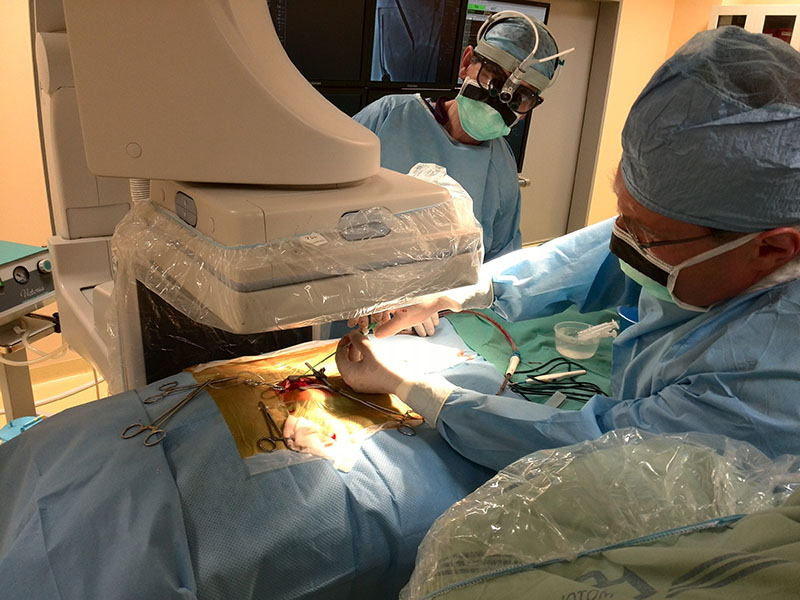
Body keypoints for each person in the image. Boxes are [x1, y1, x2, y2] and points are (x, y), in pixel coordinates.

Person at [336, 26, 800, 472]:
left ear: (772, 249)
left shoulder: (765, 380)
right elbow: (579, 261)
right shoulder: (710, 245)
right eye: (622, 212)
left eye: (643, 232)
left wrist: (418, 391)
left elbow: (603, 451)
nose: (621, 239)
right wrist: (458, 292)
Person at [353, 12, 567, 263]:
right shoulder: (389, 116)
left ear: (530, 108)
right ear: (466, 63)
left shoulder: (501, 168)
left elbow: (501, 261)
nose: (500, 100)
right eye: (493, 79)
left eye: (521, 96)